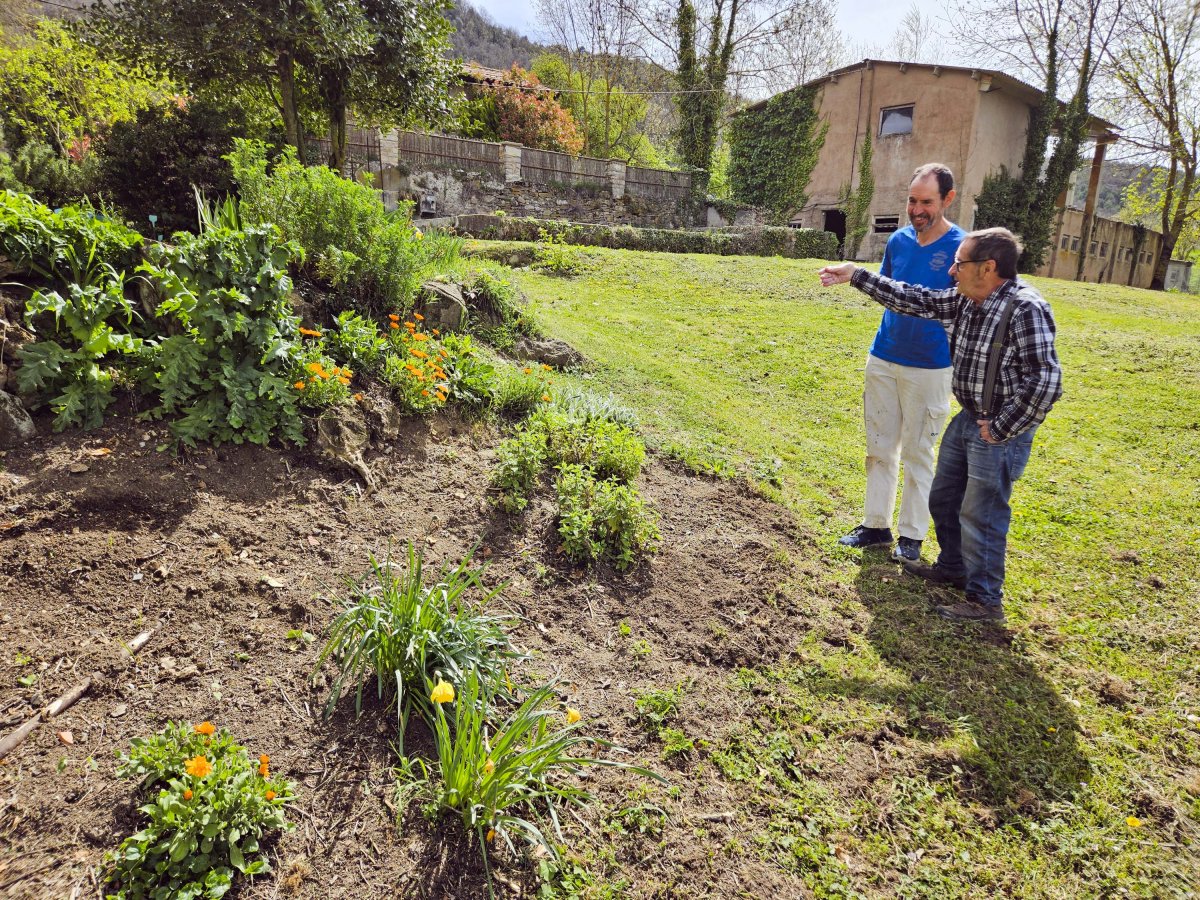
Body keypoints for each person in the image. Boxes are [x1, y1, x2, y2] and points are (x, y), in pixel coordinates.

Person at [818, 228, 1062, 624]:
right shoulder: (968, 301)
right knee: (944, 497)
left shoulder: (1025, 309)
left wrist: (1001, 427)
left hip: (999, 429)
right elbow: (916, 299)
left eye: (959, 263)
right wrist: (857, 276)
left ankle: (985, 603)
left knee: (982, 514)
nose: (951, 271)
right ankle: (952, 567)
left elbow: (1046, 380)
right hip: (970, 417)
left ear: (988, 268)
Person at [838, 164, 964, 564]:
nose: (917, 209)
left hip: (930, 366)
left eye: (926, 201)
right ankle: (875, 524)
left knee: (918, 451)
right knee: (879, 446)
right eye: (912, 200)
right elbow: (890, 291)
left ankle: (912, 535)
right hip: (884, 356)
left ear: (948, 198)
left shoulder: (962, 249)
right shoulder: (897, 241)